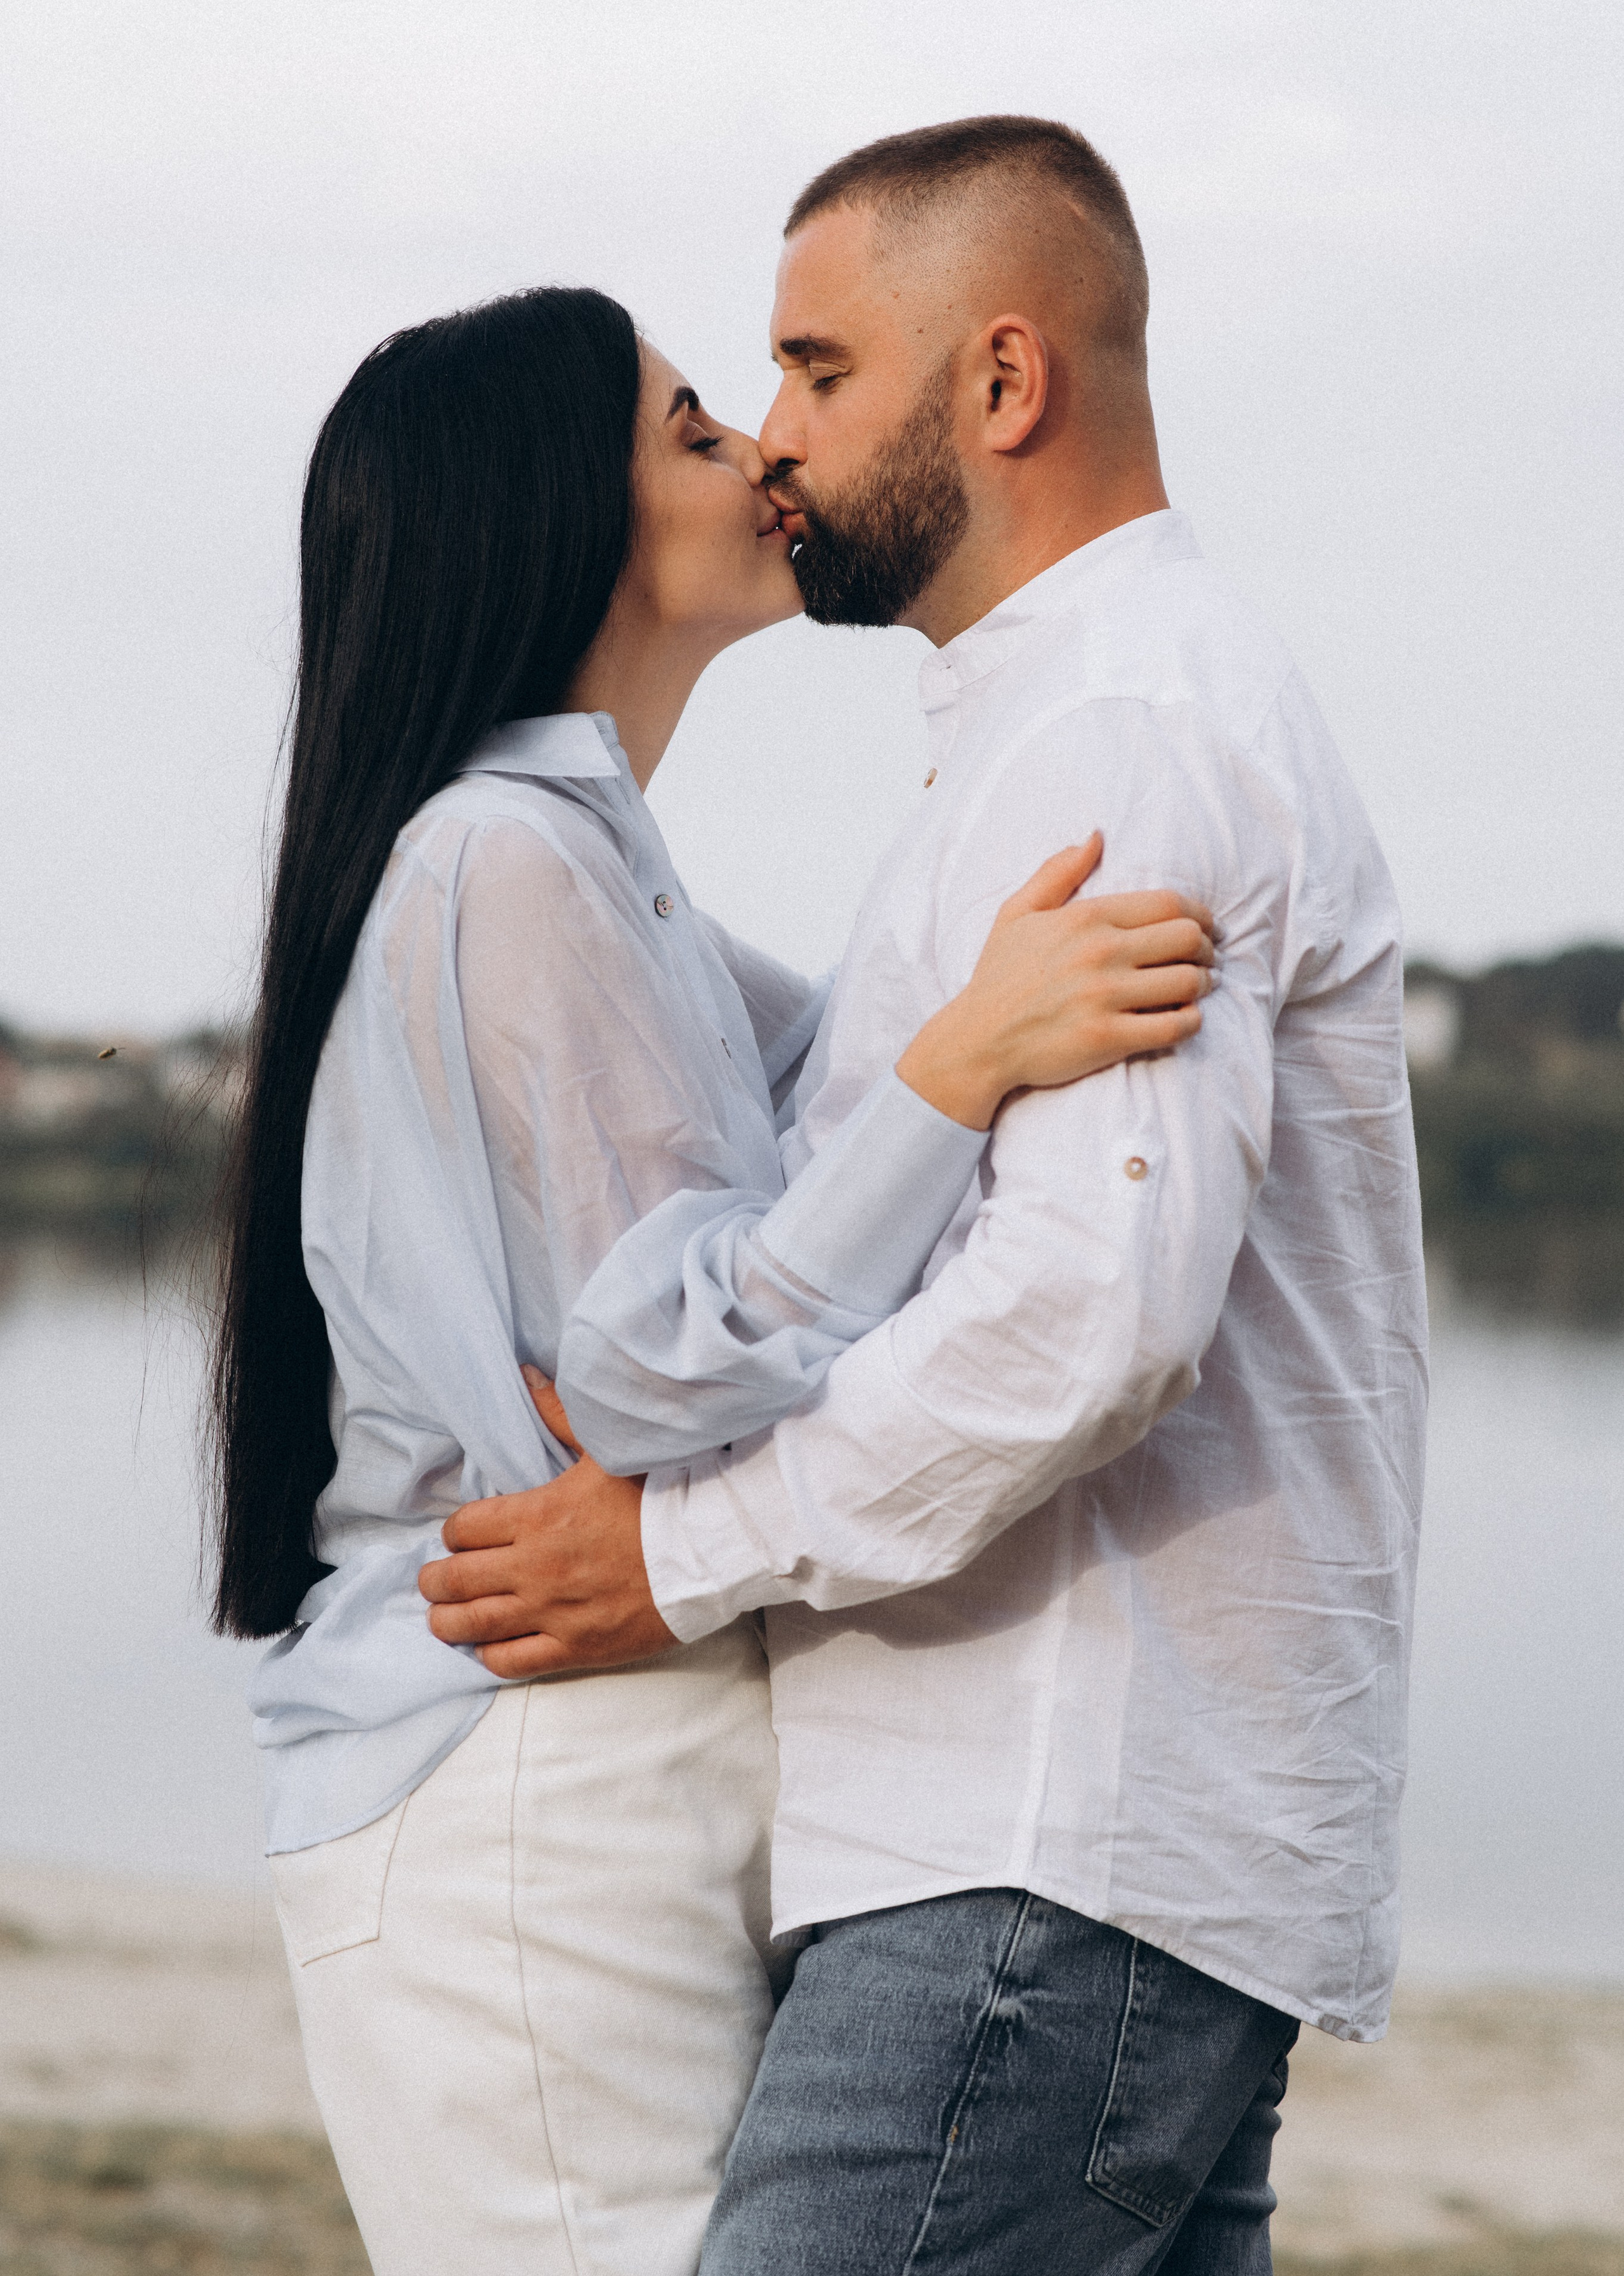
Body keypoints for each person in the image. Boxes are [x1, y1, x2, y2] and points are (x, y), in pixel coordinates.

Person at [419, 117, 1429, 2276]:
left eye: (813, 370)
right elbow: (779, 1090)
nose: (771, 443)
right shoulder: (1041, 731)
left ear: (1000, 384)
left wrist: (671, 1556)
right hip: (1068, 1851)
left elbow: (1090, 1319)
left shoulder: (1121, 734)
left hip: (1049, 1843)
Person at [208, 281, 1219, 2276]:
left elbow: (828, 1099)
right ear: (549, 522)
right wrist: (964, 1065)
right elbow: (664, 1365)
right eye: (690, 429)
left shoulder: (594, 869)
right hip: (518, 1782)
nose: (763, 449)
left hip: (596, 1761)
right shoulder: (500, 861)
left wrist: (994, 862)